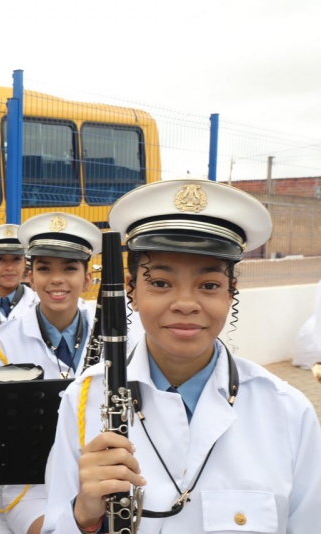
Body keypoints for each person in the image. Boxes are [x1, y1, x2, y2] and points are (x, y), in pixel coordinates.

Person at [42, 179, 321, 534]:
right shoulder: (84, 397)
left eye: (209, 285)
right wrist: (82, 517)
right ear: (131, 291)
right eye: (160, 283)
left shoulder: (288, 412)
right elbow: (54, 525)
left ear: (231, 293)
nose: (186, 304)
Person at [0, 212, 103, 534]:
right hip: (31, 485)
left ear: (87, 278)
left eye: (69, 268)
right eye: (44, 269)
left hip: (100, 475)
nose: (56, 279)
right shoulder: (5, 341)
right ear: (30, 277)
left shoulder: (116, 333)